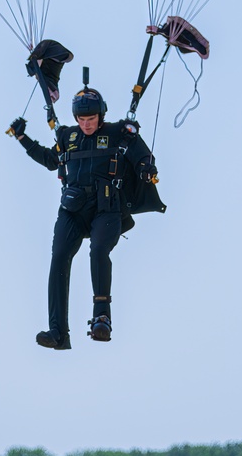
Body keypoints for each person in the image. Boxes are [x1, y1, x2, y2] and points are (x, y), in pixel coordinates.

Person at [9, 86, 160, 348]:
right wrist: (23, 138)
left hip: (107, 208)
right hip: (73, 209)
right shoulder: (68, 135)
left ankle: (102, 318)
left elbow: (142, 157)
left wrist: (146, 168)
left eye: (91, 119)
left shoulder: (118, 133)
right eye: (82, 120)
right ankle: (57, 332)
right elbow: (50, 159)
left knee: (99, 250)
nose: (86, 125)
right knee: (58, 257)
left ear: (100, 116)